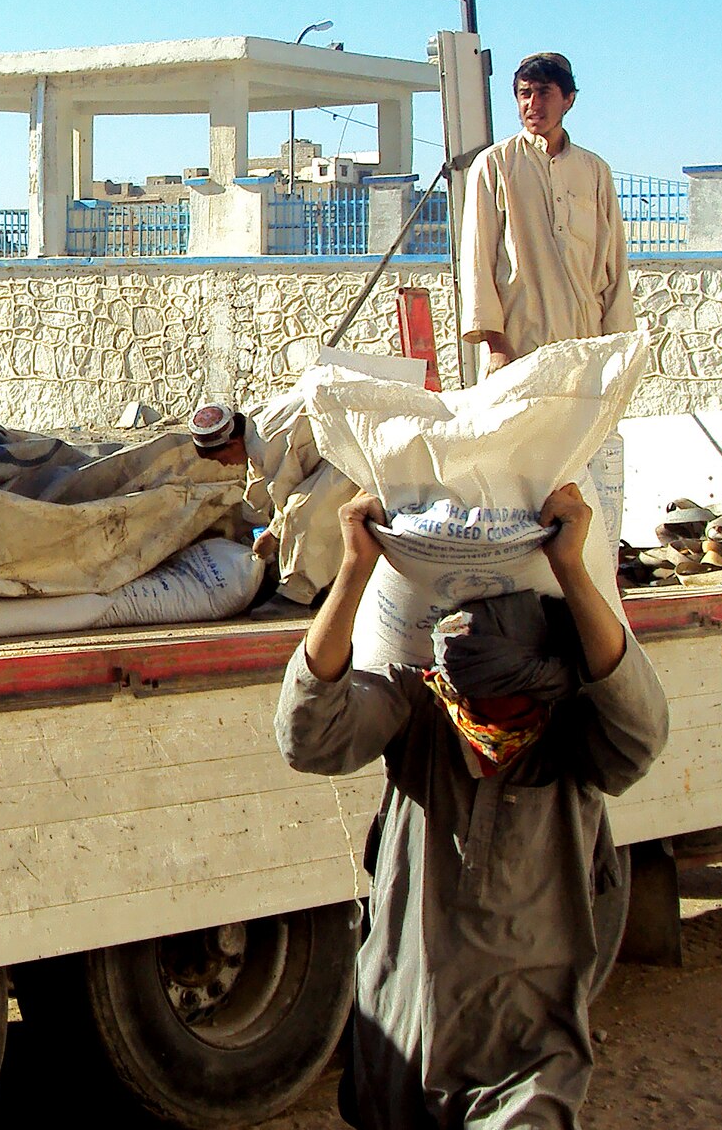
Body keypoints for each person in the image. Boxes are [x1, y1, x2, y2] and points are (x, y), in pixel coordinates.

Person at [274, 484, 668, 1129]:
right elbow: (309, 738)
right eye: (467, 703)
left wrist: (570, 567)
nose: (478, 722)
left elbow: (640, 732)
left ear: (546, 684)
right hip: (408, 1020)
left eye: (503, 706)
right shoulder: (419, 705)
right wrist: (353, 570)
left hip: (526, 1039)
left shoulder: (576, 733)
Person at [459, 52, 632, 374]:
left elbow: (614, 261)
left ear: (568, 100)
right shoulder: (495, 165)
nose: (533, 103)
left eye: (544, 92)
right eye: (525, 93)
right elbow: (477, 259)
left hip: (585, 341)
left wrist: (617, 346)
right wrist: (496, 345)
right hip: (519, 343)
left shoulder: (593, 170)